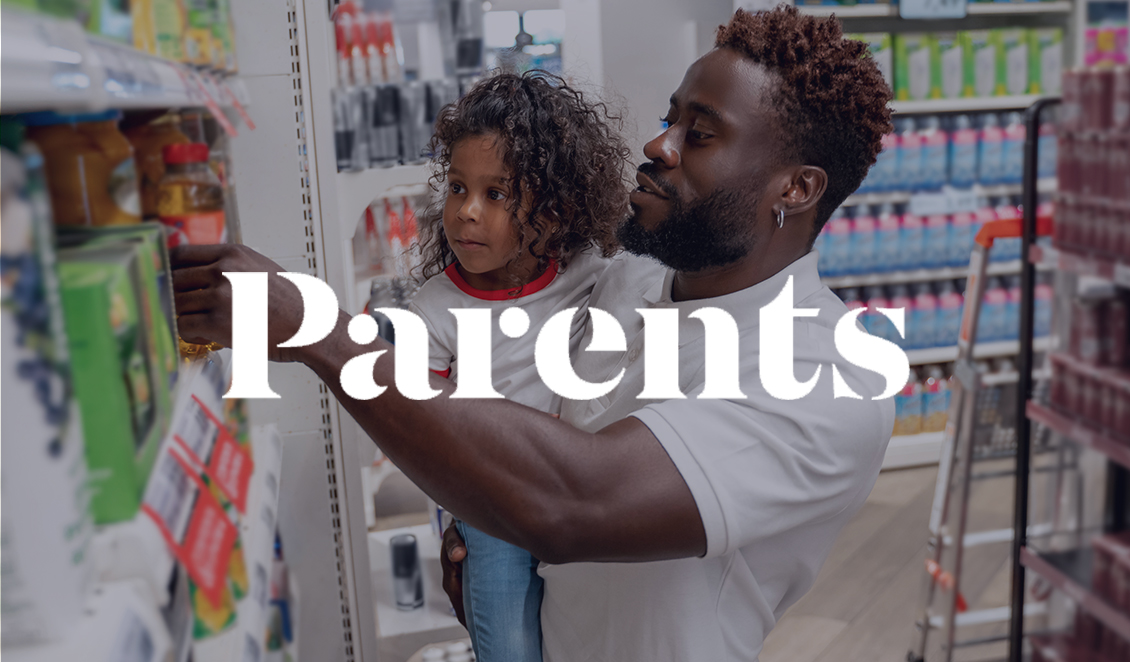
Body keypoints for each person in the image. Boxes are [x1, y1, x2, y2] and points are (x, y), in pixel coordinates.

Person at [170, 6, 896, 660]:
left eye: (698, 134)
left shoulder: (830, 374)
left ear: (796, 189)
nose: (659, 143)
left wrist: (317, 334)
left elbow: (574, 499)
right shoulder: (623, 283)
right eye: (670, 118)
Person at [408, 71, 627, 662]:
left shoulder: (591, 273)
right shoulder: (434, 311)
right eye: (457, 188)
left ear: (554, 211)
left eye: (496, 194)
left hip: (577, 496)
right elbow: (415, 427)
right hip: (495, 514)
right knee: (509, 649)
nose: (467, 213)